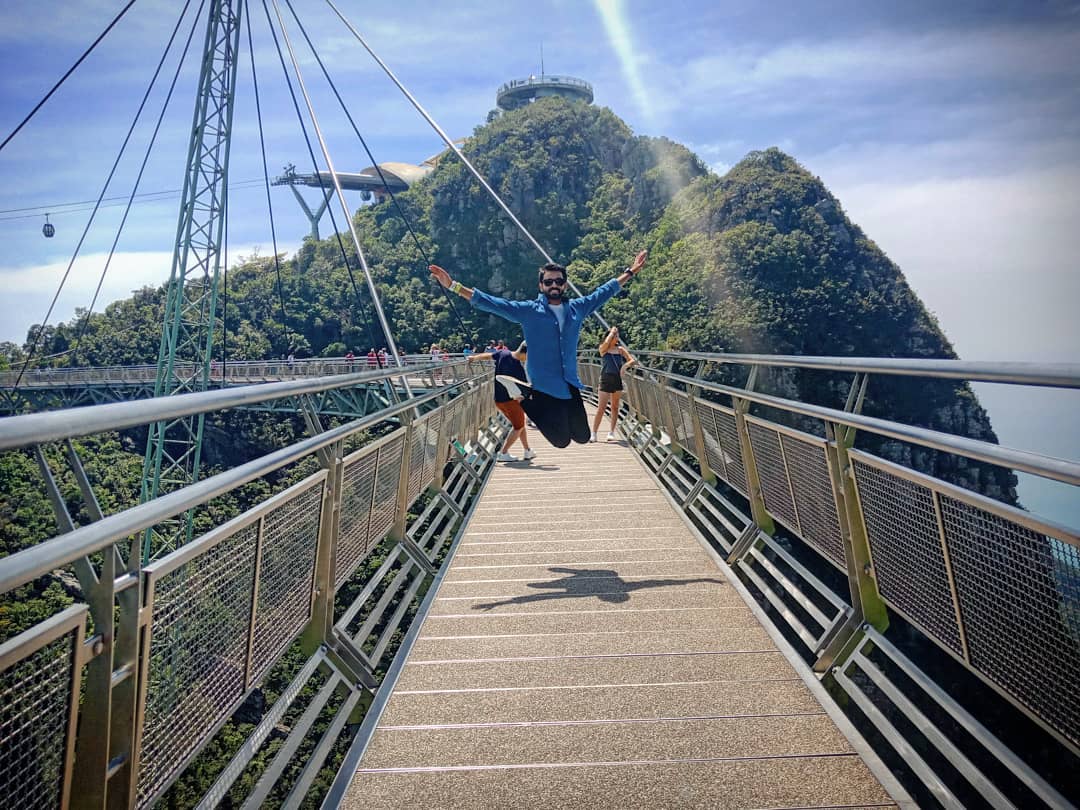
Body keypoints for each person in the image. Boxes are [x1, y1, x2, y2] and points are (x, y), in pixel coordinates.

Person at [429, 250, 648, 447]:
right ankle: (524, 396)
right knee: (560, 441)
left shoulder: (577, 309)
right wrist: (454, 286)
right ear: (541, 286)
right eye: (548, 281)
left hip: (569, 382)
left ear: (565, 285)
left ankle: (526, 396)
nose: (554, 285)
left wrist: (631, 271)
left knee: (582, 436)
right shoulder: (529, 311)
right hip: (542, 386)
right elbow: (493, 303)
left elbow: (603, 292)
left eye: (559, 281)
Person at [468, 341, 535, 462]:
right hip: (510, 402)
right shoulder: (518, 369)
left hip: (498, 400)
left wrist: (474, 358)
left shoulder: (503, 353)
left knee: (519, 424)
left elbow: (488, 356)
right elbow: (524, 389)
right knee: (519, 426)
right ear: (526, 353)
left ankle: (527, 451)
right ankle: (503, 453)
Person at [591, 325, 636, 442]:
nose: (617, 338)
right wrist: (611, 332)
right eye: (616, 336)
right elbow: (606, 343)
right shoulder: (603, 349)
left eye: (617, 336)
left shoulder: (620, 350)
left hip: (617, 379)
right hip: (605, 379)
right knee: (601, 408)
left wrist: (625, 366)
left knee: (615, 407)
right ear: (610, 337)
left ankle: (611, 432)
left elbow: (632, 360)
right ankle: (594, 433)